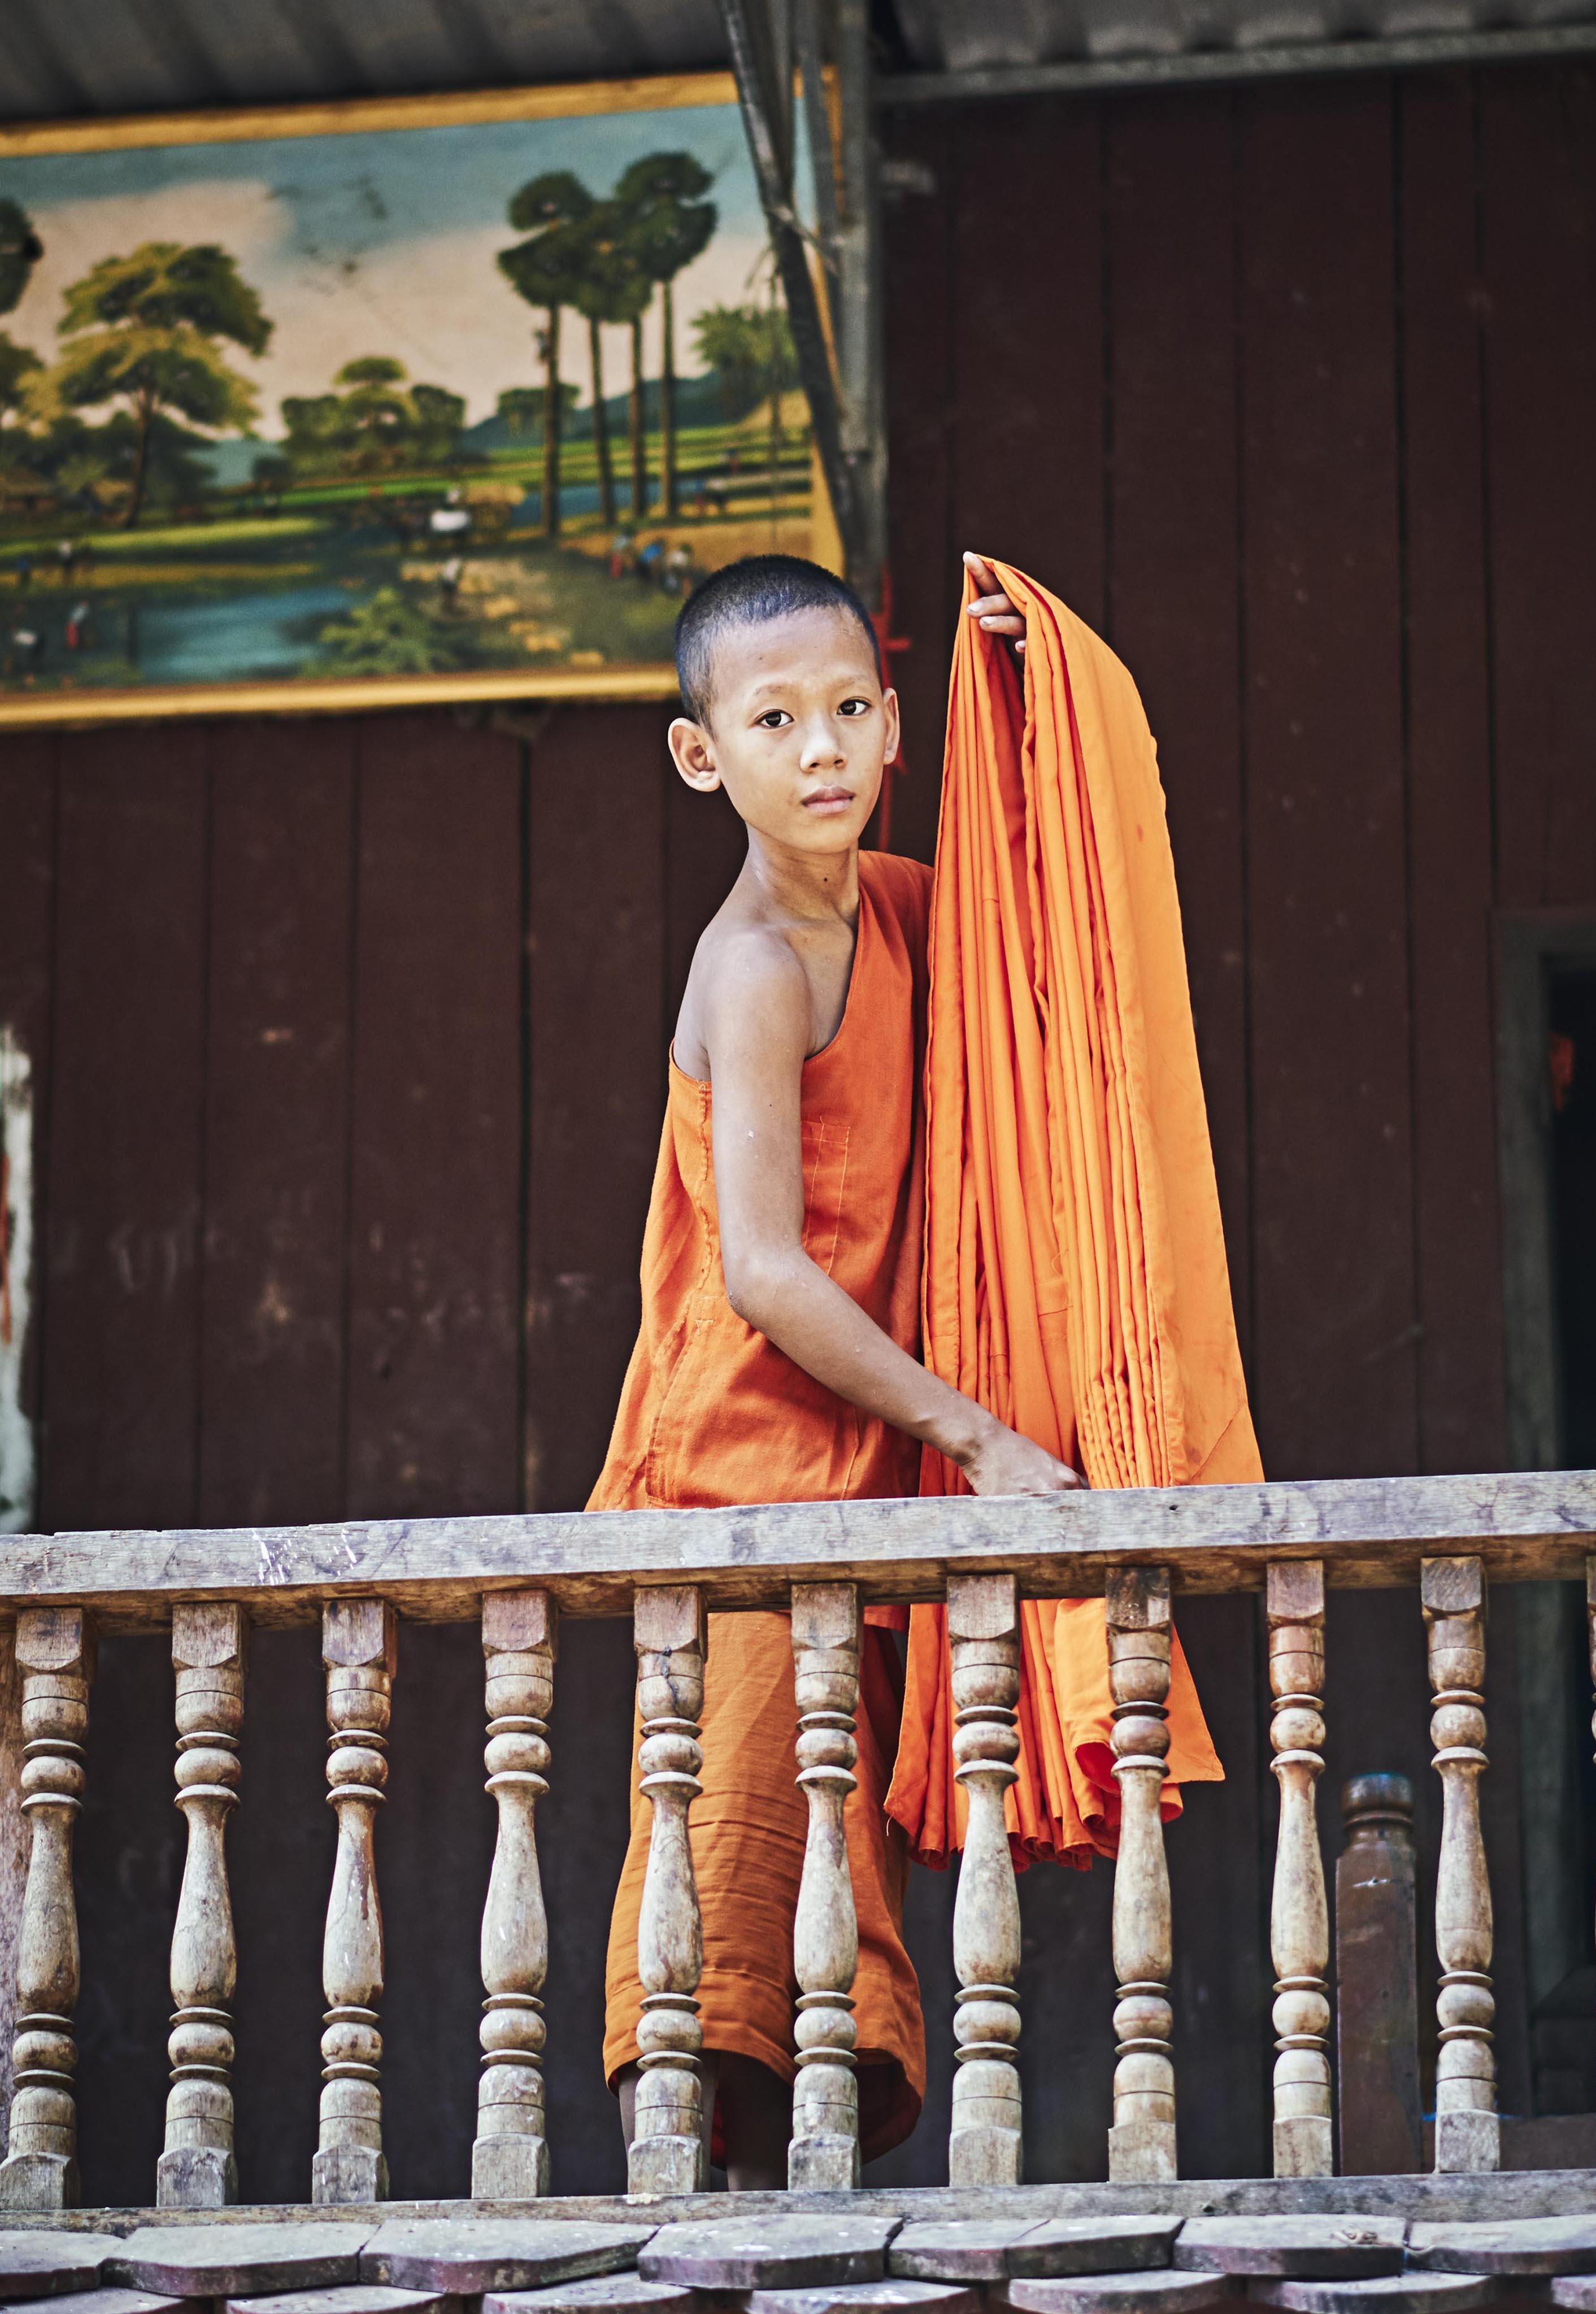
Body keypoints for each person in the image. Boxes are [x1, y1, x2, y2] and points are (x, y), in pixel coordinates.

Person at [595, 551, 1079, 2191]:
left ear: (894, 725)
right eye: (775, 718)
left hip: (856, 1474)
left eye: (854, 709)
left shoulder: (902, 906)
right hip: (740, 1476)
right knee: (734, 1882)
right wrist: (980, 1434)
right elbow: (762, 1270)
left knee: (830, 1861)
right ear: (700, 754)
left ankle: (802, 2211)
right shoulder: (754, 965)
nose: (822, 750)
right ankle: (708, 2225)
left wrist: (1039, 697)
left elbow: (1044, 909)